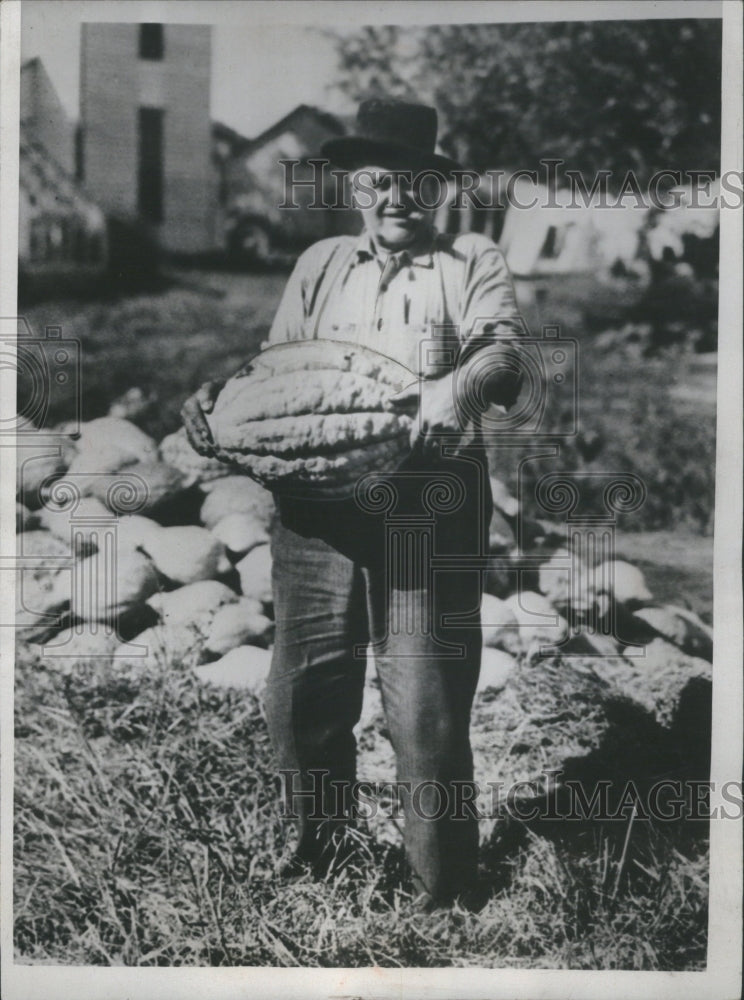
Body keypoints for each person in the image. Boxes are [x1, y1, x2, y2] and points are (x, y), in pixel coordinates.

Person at [183, 99, 527, 909]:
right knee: (304, 690)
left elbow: (504, 356)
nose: (394, 197)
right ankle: (318, 859)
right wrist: (219, 400)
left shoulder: (470, 260)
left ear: (434, 188)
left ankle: (440, 895)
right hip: (316, 502)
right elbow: (278, 373)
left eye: (411, 180)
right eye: (377, 180)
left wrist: (459, 387)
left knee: (424, 701)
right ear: (355, 184)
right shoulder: (322, 263)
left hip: (429, 503)